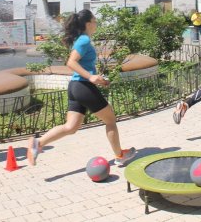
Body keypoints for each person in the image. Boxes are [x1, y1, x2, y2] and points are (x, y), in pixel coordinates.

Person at [27, 9, 136, 167]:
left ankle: (38, 143)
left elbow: (82, 65)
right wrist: (91, 77)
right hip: (83, 86)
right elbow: (71, 62)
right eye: (95, 21)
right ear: (88, 23)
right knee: (111, 120)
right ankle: (119, 155)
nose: (96, 24)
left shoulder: (82, 40)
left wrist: (98, 79)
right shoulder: (84, 40)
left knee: (71, 127)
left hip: (76, 87)